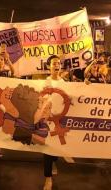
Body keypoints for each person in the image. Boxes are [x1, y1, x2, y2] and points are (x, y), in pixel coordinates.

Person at [42, 55, 63, 190]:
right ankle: (48, 179)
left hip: (59, 120)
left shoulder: (65, 82)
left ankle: (54, 162)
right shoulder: (46, 82)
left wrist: (85, 85)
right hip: (47, 121)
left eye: (58, 63)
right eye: (54, 63)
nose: (57, 65)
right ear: (49, 67)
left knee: (56, 149)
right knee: (47, 149)